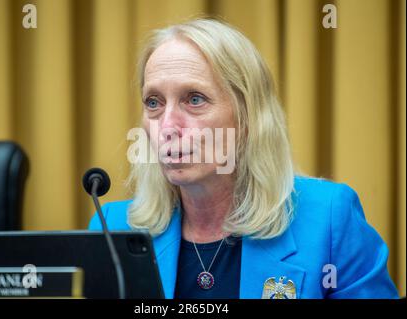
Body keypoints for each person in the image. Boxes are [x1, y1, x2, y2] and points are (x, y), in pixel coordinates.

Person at [89, 18, 398, 299]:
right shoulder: (112, 228)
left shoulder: (329, 220)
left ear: (248, 115)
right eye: (153, 102)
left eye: (194, 99)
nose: (167, 126)